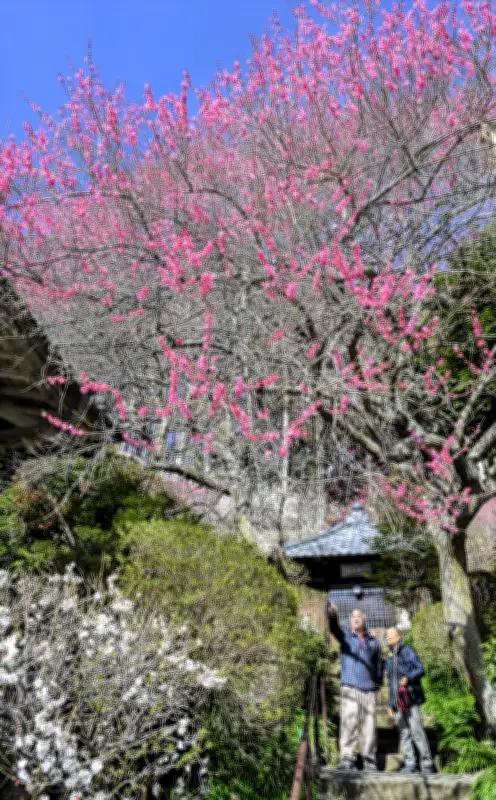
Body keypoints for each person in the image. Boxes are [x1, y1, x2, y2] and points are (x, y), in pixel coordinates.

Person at [327, 602, 383, 772]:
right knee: (349, 723)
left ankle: (369, 759)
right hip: (350, 687)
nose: (356, 619)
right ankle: (347, 758)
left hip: (369, 689)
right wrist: (333, 615)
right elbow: (334, 628)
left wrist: (379, 685)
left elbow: (379, 665)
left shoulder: (374, 643)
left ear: (365, 620)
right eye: (353, 617)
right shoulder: (346, 636)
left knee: (369, 726)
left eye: (359, 616)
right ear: (350, 621)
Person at [385, 627, 435, 774]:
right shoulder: (389, 658)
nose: (388, 637)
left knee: (416, 730)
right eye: (386, 635)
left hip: (411, 698)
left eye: (391, 634)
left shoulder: (408, 651)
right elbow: (391, 683)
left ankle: (427, 763)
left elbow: (420, 669)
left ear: (399, 636)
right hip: (398, 701)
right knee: (404, 733)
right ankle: (410, 763)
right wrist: (390, 704)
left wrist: (409, 678)